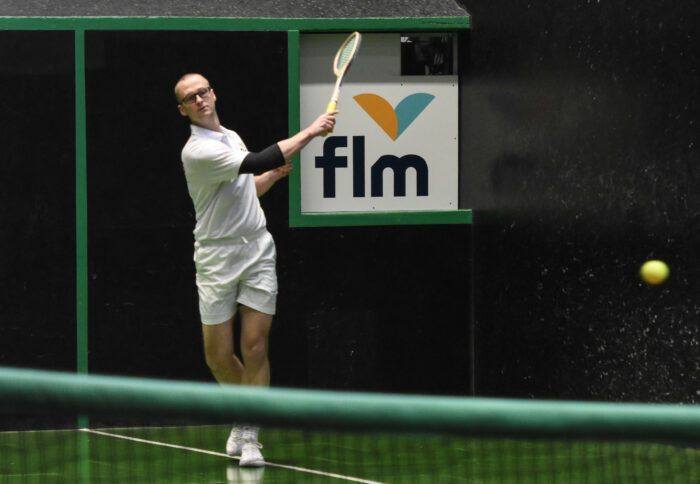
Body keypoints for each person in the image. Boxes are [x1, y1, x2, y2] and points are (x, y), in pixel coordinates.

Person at [175, 73, 336, 467]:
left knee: (255, 346)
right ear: (183, 110)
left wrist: (271, 178)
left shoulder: (231, 136)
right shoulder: (197, 151)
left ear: (214, 93)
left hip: (257, 251)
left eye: (203, 91)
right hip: (215, 258)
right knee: (217, 357)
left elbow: (248, 188)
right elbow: (262, 159)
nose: (199, 99)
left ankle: (250, 434)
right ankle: (244, 411)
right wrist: (313, 130)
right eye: (190, 97)